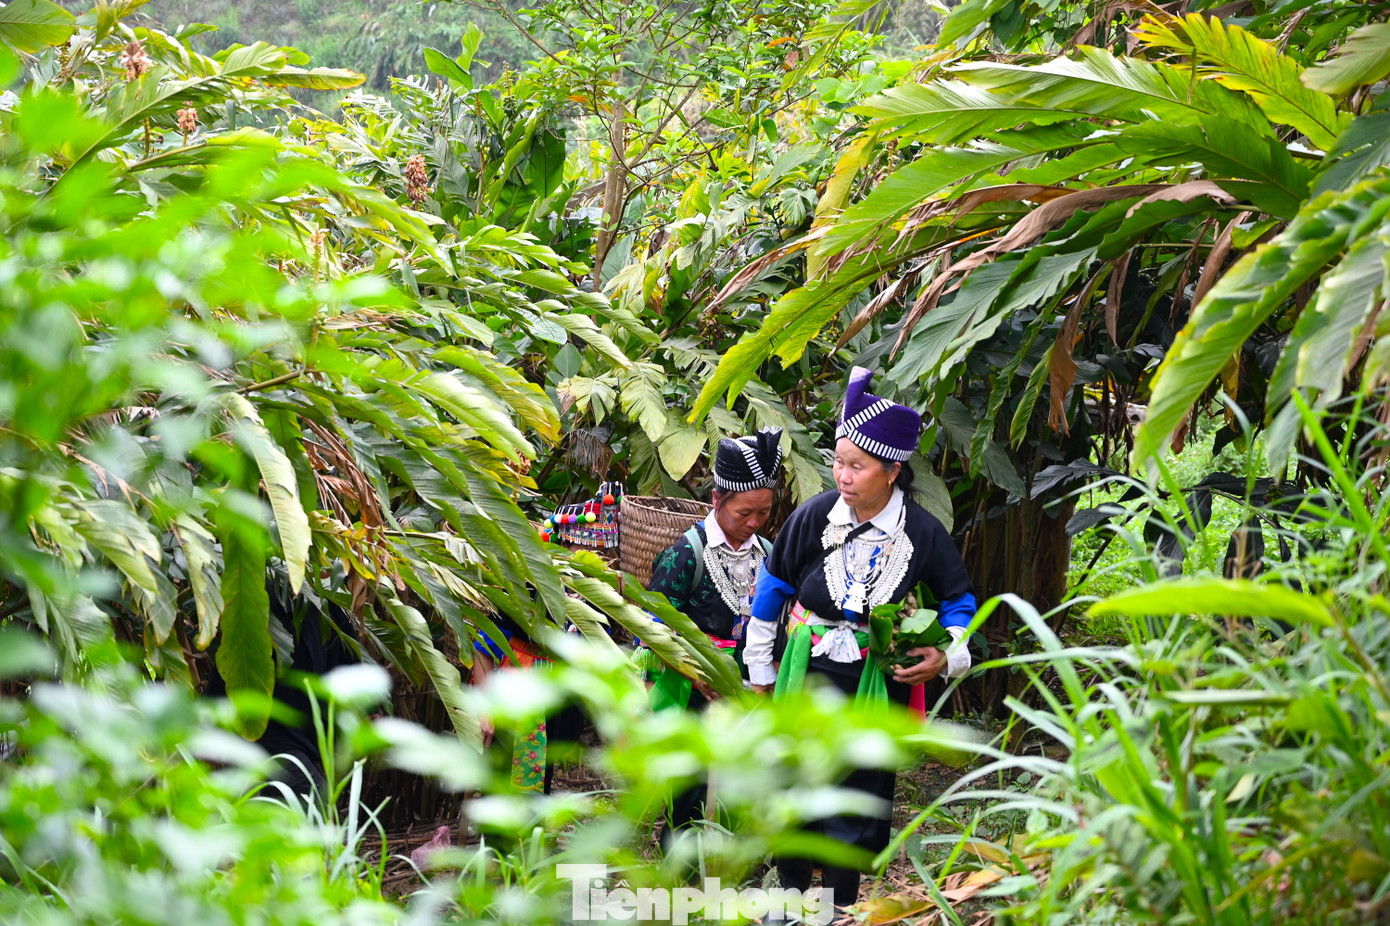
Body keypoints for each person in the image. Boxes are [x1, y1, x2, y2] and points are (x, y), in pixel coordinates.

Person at [743, 366, 977, 916]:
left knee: (857, 790)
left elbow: (959, 599)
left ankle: (839, 906)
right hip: (807, 672)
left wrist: (946, 653)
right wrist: (760, 672)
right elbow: (772, 587)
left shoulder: (921, 533)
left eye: (856, 465)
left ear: (892, 471)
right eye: (838, 462)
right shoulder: (813, 516)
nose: (842, 476)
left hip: (873, 681)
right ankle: (791, 895)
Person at [641, 427, 784, 848]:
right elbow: (653, 628)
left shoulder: (770, 554)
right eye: (744, 514)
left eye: (764, 513)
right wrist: (697, 673)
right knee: (688, 784)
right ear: (717, 500)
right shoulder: (685, 555)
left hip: (750, 690)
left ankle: (737, 872)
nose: (755, 523)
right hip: (693, 694)